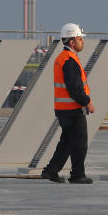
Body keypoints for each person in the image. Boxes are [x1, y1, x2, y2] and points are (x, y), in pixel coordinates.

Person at [41, 23, 95, 184]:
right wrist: (87, 103)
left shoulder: (63, 58)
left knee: (66, 143)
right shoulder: (69, 60)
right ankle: (78, 175)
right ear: (72, 42)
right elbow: (75, 88)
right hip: (73, 110)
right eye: (80, 38)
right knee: (79, 144)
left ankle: (50, 171)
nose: (82, 42)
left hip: (63, 110)